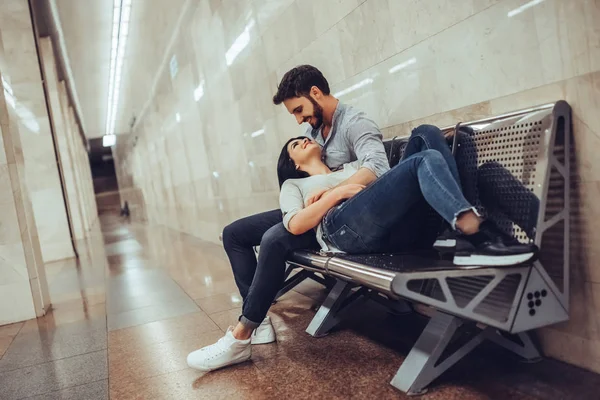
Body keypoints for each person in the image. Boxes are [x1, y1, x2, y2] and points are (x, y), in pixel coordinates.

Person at [186, 65, 390, 372]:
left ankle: (242, 335)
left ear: (316, 93)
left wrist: (330, 192)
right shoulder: (313, 130)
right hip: (311, 207)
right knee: (234, 234)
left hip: (335, 218)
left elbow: (378, 167)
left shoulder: (354, 123)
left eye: (299, 110)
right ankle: (260, 318)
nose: (298, 121)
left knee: (274, 239)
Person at [276, 125, 538, 263]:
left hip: (386, 219)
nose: (304, 140)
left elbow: (382, 187)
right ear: (295, 165)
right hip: (341, 228)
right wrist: (335, 195)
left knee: (425, 133)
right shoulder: (294, 185)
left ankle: (463, 230)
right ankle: (472, 229)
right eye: (296, 145)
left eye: (303, 139)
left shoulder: (352, 167)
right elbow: (296, 225)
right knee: (421, 161)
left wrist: (340, 188)